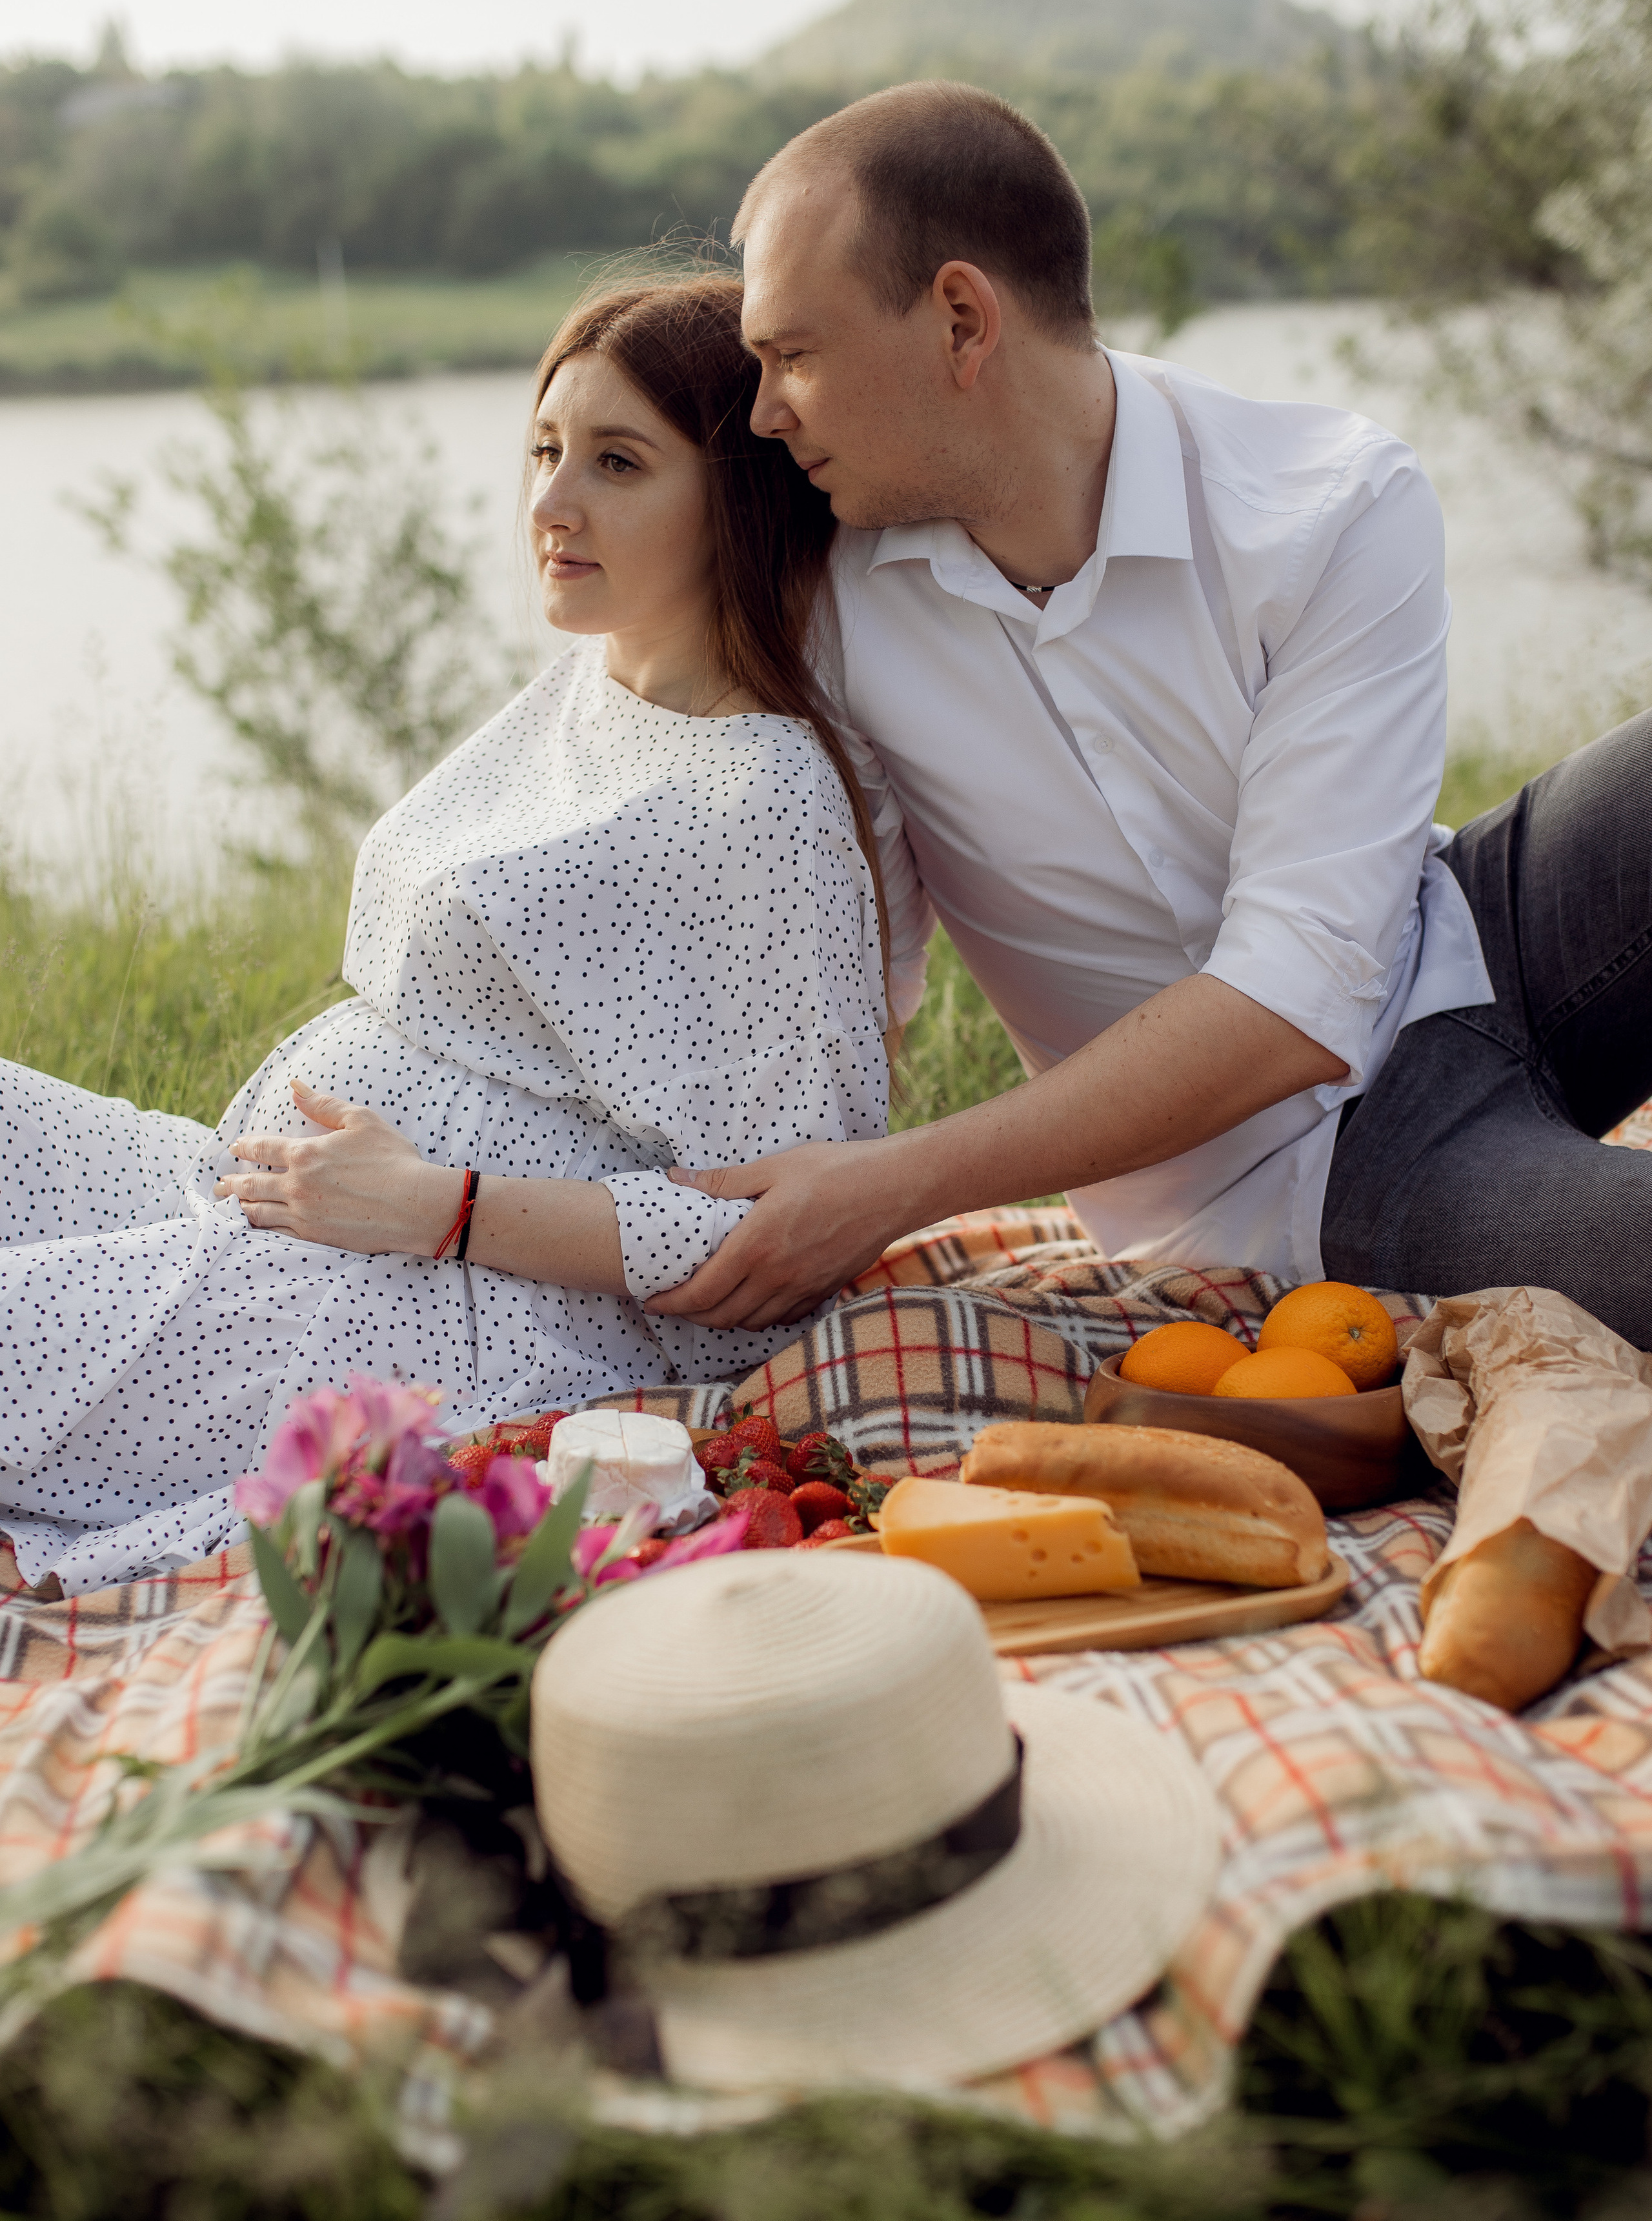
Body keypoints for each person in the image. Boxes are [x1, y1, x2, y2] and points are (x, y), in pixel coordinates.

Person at [647, 81, 1652, 1348]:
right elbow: (845, 987)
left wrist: (896, 1187)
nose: (765, 410)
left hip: (1463, 932)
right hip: (1309, 1176)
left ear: (960, 320)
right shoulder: (829, 615)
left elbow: (1298, 980)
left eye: (793, 355)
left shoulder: (1325, 501)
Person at [0, 277, 900, 1592]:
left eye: (617, 462)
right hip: (276, 1205)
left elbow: (775, 1248)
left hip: (466, 1314)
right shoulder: (587, 683)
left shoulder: (759, 804)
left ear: (740, 496)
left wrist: (445, 1210)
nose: (549, 506)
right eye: (544, 451)